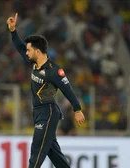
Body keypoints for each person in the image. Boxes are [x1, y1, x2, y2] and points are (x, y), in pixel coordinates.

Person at [7, 13, 85, 168]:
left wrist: (77, 110)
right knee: (53, 152)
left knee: (36, 149)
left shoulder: (54, 71)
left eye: (29, 50)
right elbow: (20, 47)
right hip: (38, 112)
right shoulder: (34, 63)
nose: (26, 52)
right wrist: (13, 31)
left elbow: (67, 89)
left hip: (48, 112)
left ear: (37, 51)